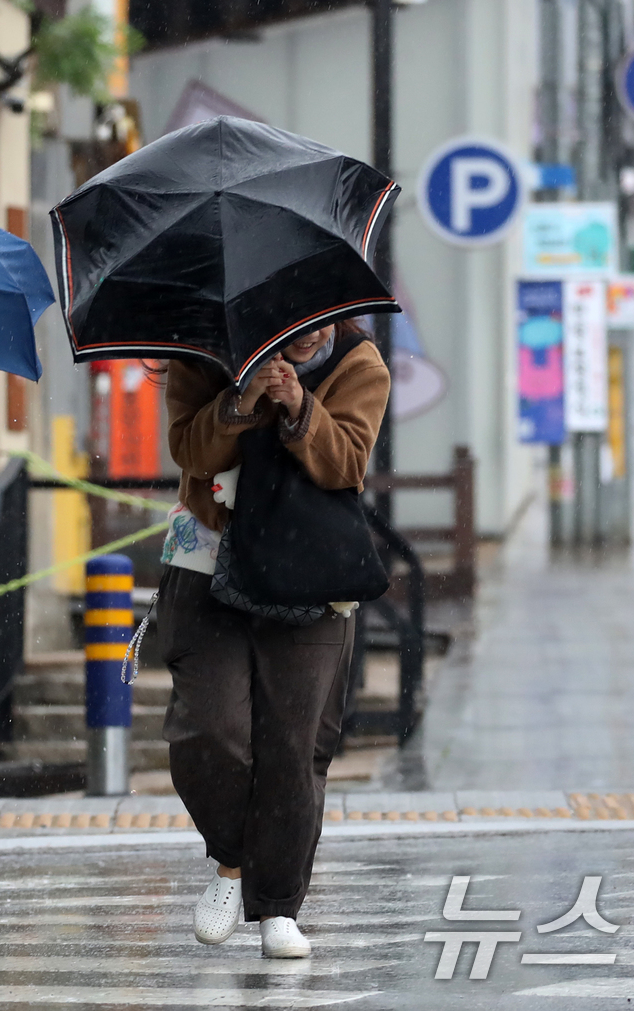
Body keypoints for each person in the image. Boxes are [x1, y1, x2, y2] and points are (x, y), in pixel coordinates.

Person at [156, 318, 390, 957]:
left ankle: (280, 904)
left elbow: (347, 465)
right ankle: (232, 863)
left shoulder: (360, 364)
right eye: (297, 324)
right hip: (208, 560)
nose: (311, 337)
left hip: (307, 568)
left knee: (293, 744)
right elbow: (191, 453)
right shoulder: (201, 356)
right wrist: (241, 399)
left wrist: (299, 406)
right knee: (207, 728)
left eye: (321, 323)